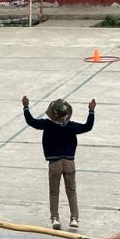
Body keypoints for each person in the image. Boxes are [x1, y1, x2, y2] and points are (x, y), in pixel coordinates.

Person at [22, 95, 96, 230]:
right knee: (71, 191)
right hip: (69, 162)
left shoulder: (47, 124)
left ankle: (55, 218)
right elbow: (88, 126)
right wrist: (91, 111)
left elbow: (31, 121)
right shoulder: (71, 126)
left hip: (54, 163)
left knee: (54, 192)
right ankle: (74, 218)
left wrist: (26, 107)